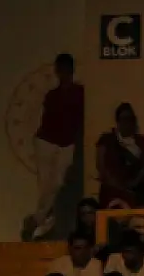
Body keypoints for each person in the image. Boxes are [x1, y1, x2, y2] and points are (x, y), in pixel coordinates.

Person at [30, 54, 83, 239]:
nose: (63, 73)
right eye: (61, 69)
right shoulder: (52, 95)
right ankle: (42, 220)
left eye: (67, 69)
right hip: (46, 140)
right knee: (46, 184)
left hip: (66, 143)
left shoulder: (80, 92)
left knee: (58, 183)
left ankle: (40, 219)